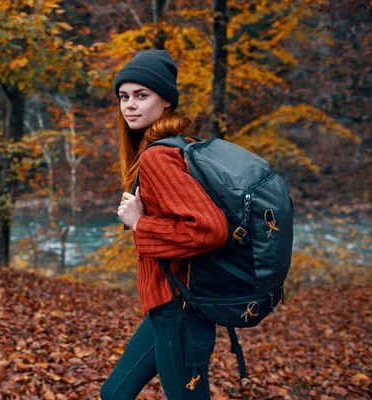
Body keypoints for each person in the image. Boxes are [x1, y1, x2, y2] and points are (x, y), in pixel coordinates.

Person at [100, 50, 229, 400]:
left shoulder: (158, 156)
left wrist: (141, 225)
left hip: (182, 310)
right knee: (114, 393)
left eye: (142, 96)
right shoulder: (173, 147)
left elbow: (210, 229)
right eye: (124, 97)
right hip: (168, 306)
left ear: (166, 102)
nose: (130, 105)